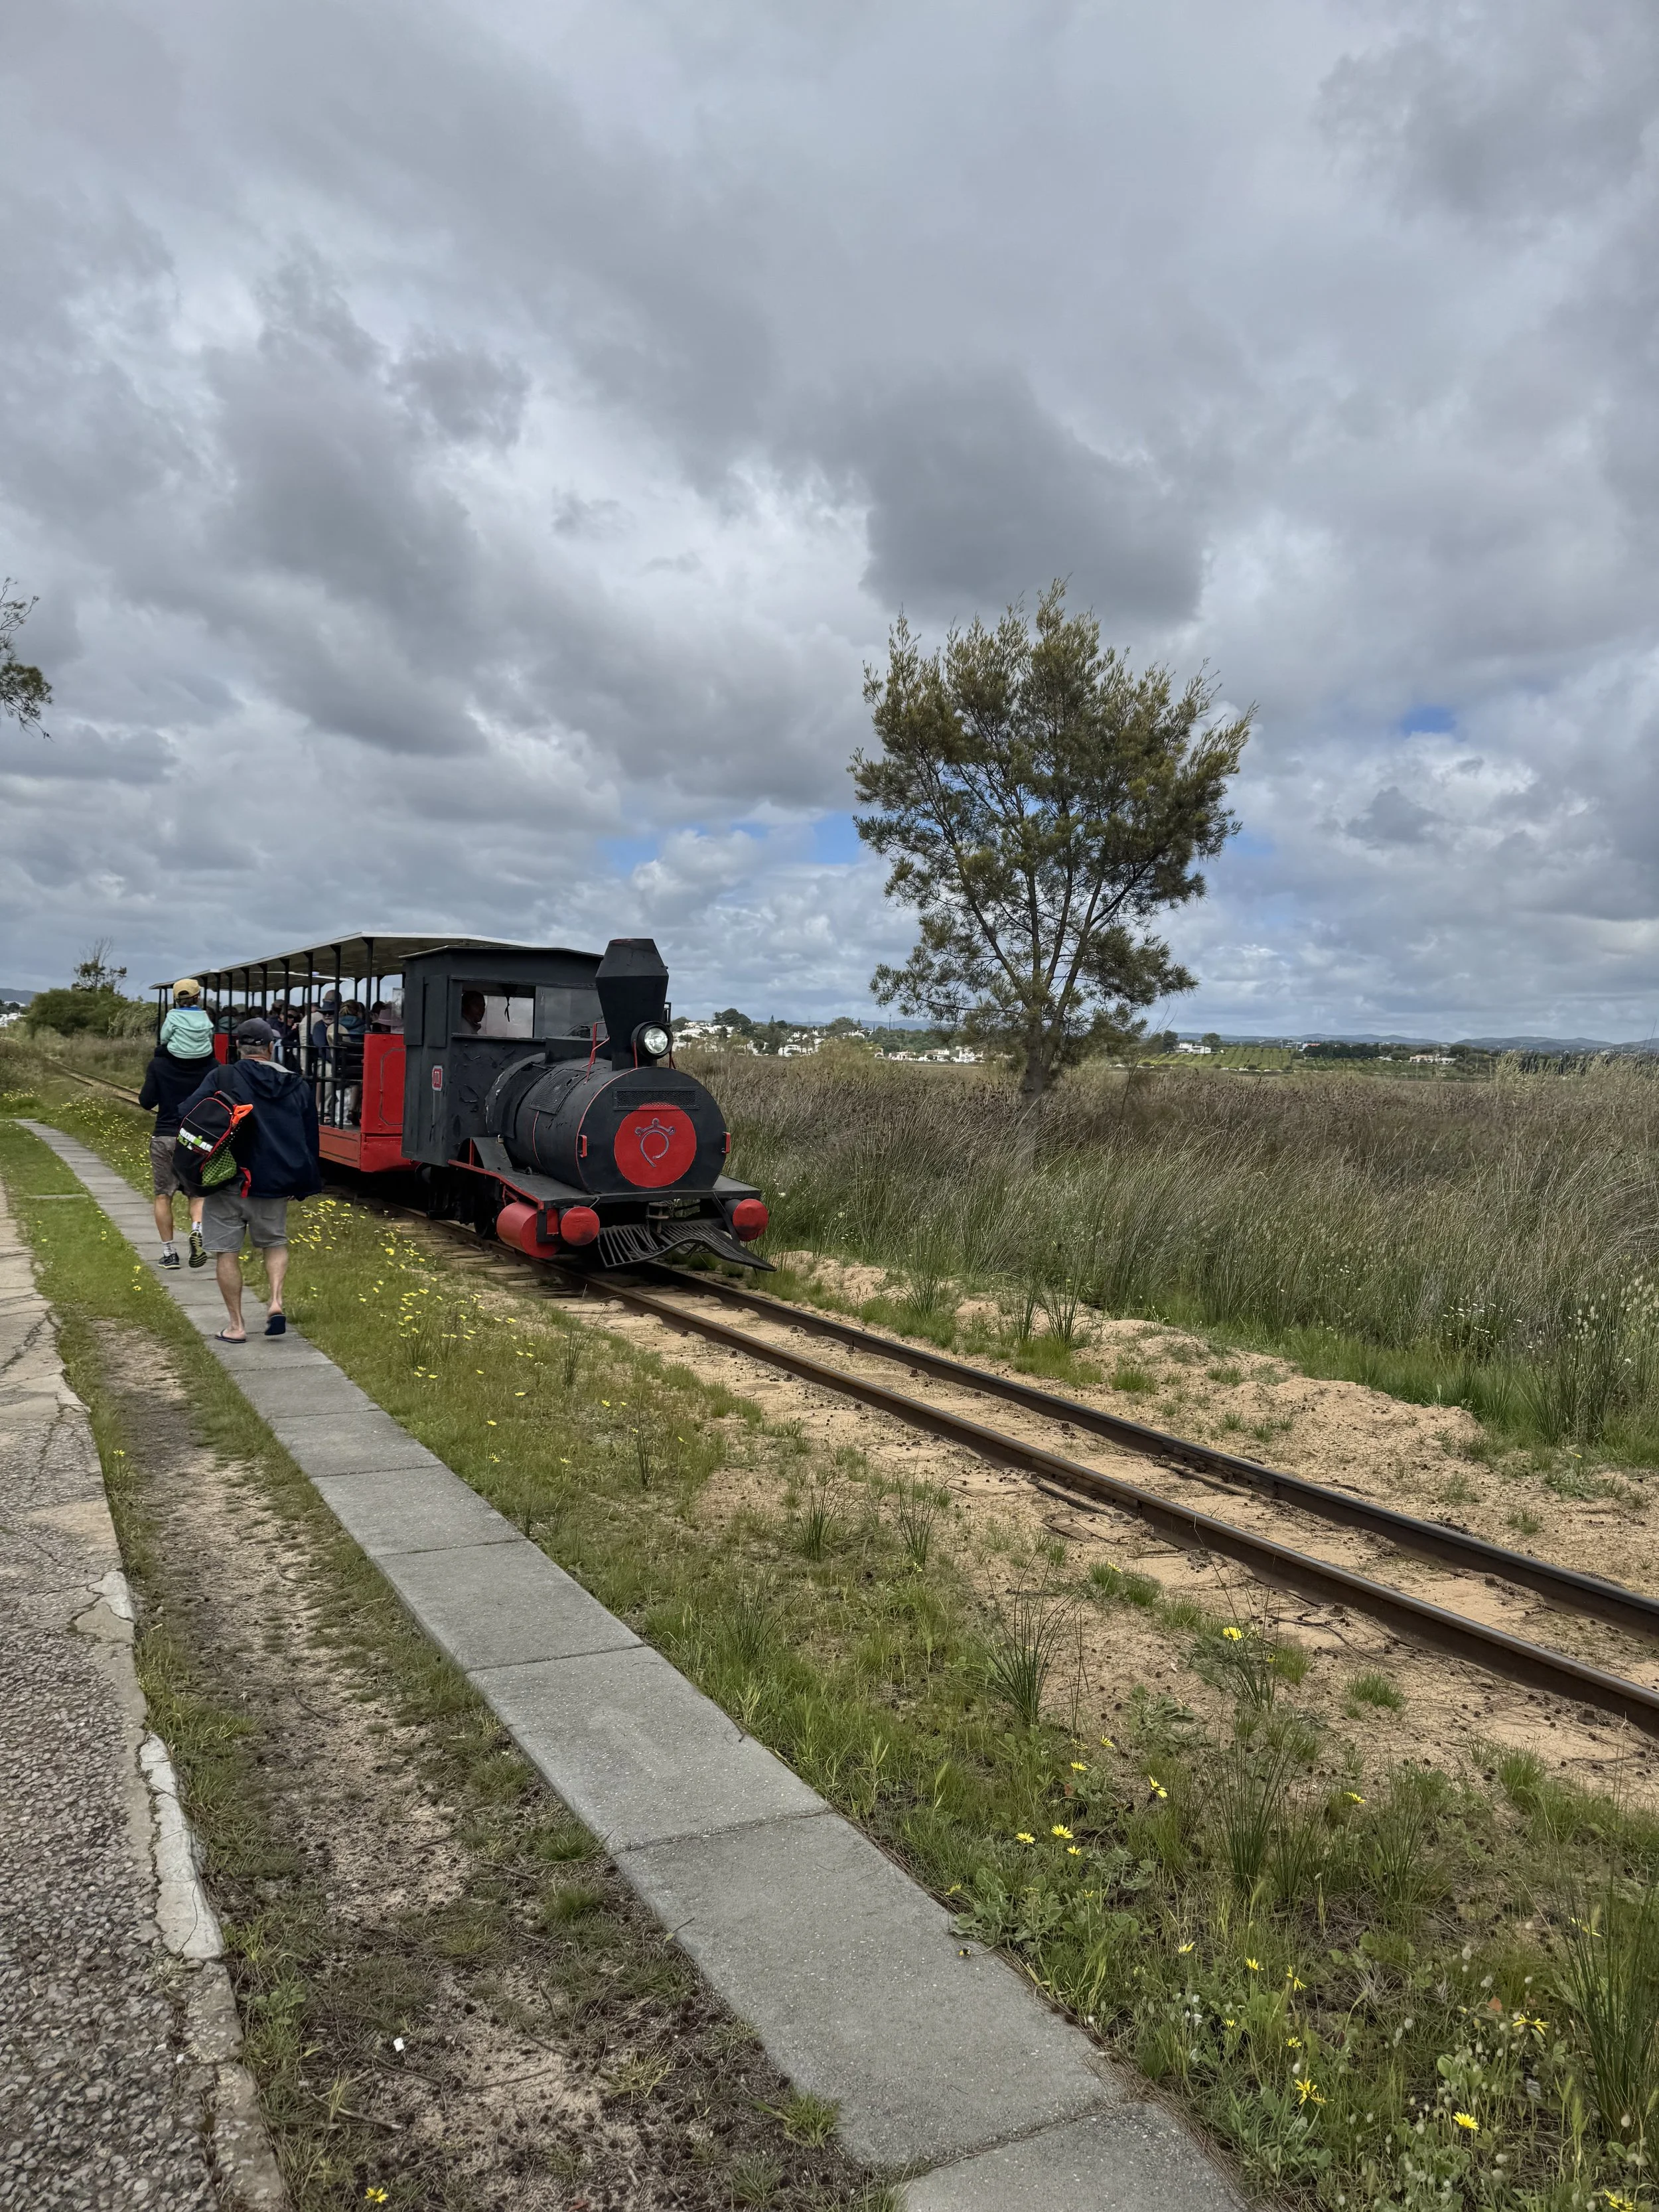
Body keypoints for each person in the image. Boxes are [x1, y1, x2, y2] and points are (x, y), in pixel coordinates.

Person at [179, 1017, 322, 1341]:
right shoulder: (296, 1084)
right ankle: (275, 1302)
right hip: (275, 1183)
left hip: (228, 1180)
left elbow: (188, 1113)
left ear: (238, 1047)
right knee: (275, 1243)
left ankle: (237, 1326)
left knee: (227, 1253)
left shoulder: (222, 1077)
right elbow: (310, 1138)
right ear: (270, 1047)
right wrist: (303, 1182)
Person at [139, 1035, 209, 1270]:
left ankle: (169, 1254)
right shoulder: (210, 1065)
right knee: (197, 1195)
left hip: (165, 1136)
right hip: (196, 1137)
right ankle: (197, 1231)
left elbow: (146, 1101)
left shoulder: (159, 1064)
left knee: (163, 1196)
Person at [159, 978, 216, 1062]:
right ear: (197, 998)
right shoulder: (204, 1015)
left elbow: (164, 1039)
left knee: (158, 1051)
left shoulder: (172, 1016)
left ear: (176, 999)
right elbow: (210, 1036)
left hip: (177, 1054)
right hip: (203, 1054)